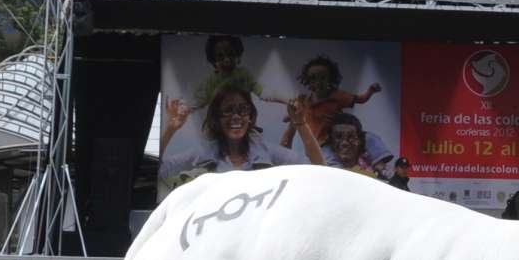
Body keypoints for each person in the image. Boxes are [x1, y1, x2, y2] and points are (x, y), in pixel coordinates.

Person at [160, 84, 313, 192]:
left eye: (243, 110)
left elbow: (317, 168)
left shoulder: (267, 152)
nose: (236, 117)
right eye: (228, 110)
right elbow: (161, 170)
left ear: (250, 116)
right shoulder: (203, 153)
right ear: (216, 118)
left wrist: (301, 123)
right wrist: (170, 129)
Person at [279, 55, 383, 159]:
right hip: (316, 144)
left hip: (333, 141)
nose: (318, 82)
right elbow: (292, 115)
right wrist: (290, 116)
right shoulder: (303, 100)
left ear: (330, 79)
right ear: (307, 81)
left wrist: (371, 91)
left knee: (368, 138)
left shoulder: (337, 96)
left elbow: (361, 99)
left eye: (323, 78)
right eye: (313, 78)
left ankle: (379, 161)